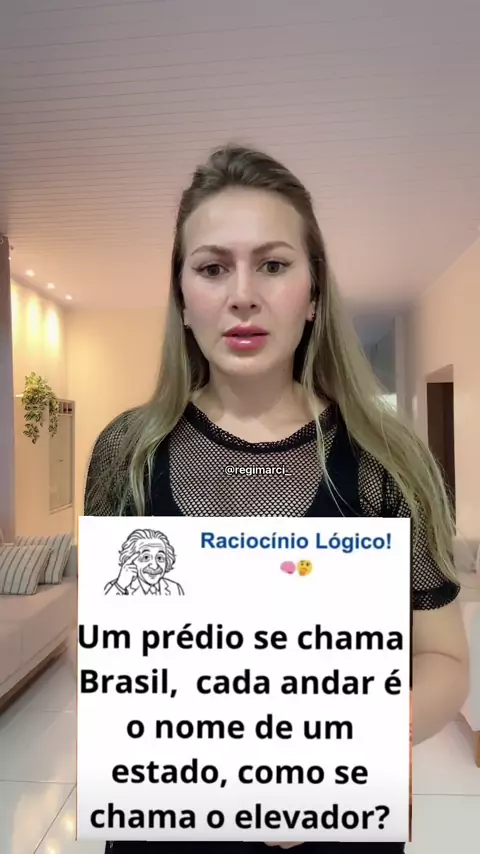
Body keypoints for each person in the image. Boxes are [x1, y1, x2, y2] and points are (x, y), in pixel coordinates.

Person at [85, 145, 469, 854]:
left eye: (272, 264)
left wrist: (335, 753)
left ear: (313, 291)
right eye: (212, 268)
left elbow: (444, 660)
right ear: (182, 298)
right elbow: (113, 657)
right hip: (168, 825)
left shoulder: (387, 460)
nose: (242, 295)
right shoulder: (127, 454)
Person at [104, 528, 184, 596]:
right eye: (146, 557)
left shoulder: (175, 589)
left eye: (160, 558)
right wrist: (120, 586)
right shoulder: (116, 587)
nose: (154, 566)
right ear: (130, 560)